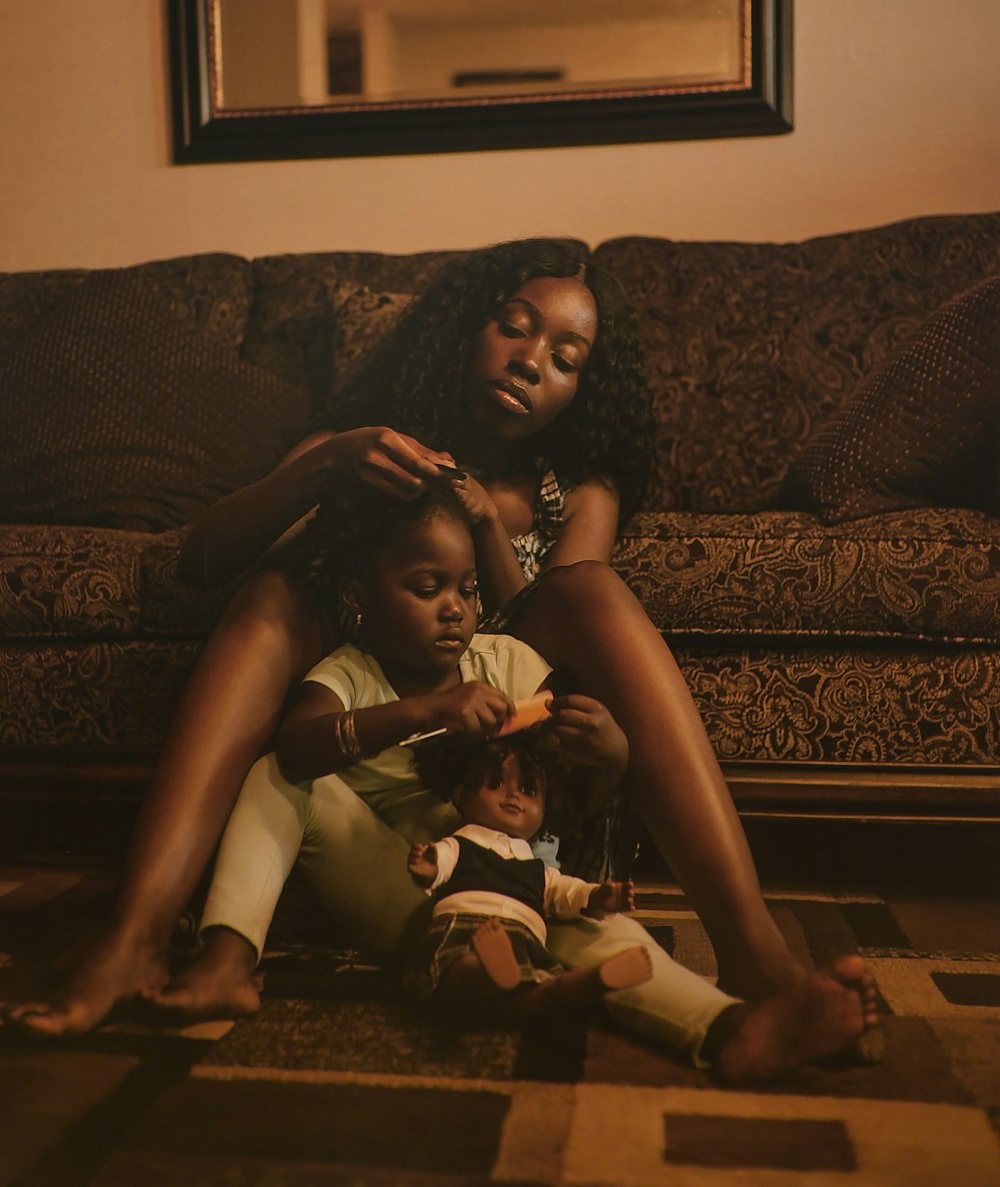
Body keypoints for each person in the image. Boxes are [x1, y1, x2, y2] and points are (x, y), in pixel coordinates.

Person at [3, 238, 844, 1038]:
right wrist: (325, 464)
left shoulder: (580, 490)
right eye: (514, 325)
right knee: (269, 591)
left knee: (588, 587)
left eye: (564, 358)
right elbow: (201, 558)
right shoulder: (365, 442)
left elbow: (541, 653)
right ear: (463, 328)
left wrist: (483, 526)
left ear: (583, 391)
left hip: (499, 768)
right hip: (357, 733)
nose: (529, 360)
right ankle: (136, 935)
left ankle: (754, 957)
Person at [140, 484, 877, 1083]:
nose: (455, 606)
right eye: (426, 587)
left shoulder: (507, 663)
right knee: (276, 775)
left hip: (522, 884)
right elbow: (298, 748)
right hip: (404, 884)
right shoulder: (349, 675)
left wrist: (611, 754)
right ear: (359, 595)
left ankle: (735, 1029)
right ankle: (227, 957)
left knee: (602, 929)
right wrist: (426, 711)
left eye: (464, 587)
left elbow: (571, 804)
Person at [406, 725, 653, 1021]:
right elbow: (442, 861)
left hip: (522, 935)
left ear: (547, 808)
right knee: (459, 970)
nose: (513, 794)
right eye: (496, 782)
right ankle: (496, 974)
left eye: (528, 790)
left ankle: (575, 984)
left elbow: (564, 892)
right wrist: (428, 865)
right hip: (465, 923)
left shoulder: (537, 867)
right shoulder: (462, 843)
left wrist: (598, 896)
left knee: (526, 991)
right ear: (460, 794)